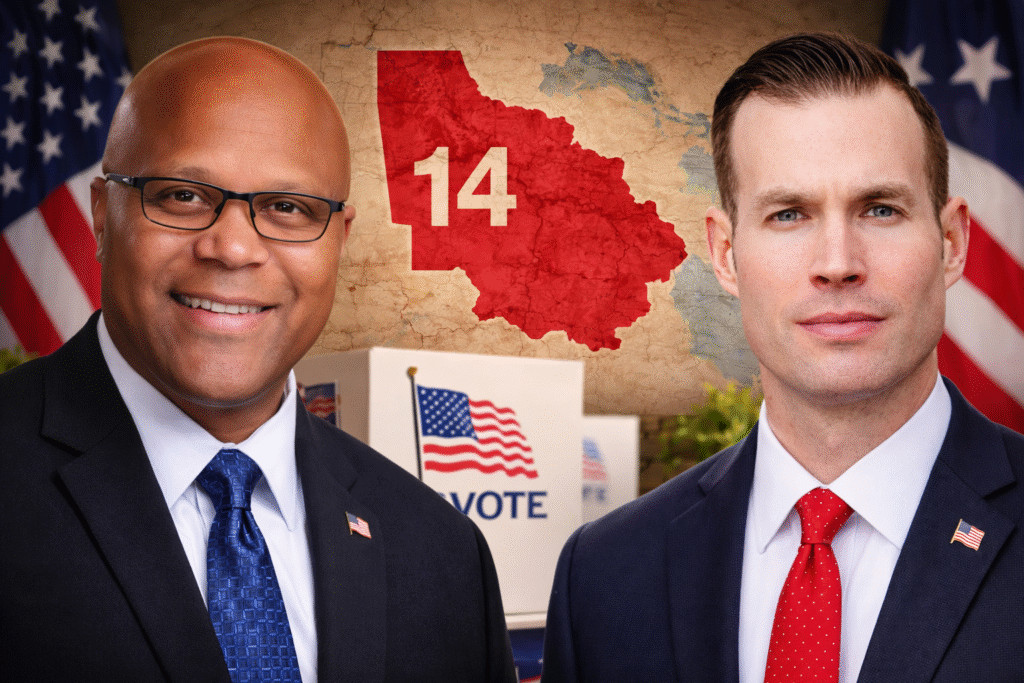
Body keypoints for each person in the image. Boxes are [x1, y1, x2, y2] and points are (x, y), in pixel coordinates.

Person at [0, 36, 515, 683]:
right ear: (104, 216)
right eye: (183, 195)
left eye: (287, 208)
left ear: (339, 241)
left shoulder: (441, 553)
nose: (234, 247)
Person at [541, 32, 1024, 683]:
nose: (837, 264)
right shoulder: (604, 574)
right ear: (724, 254)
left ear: (952, 242)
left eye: (880, 209)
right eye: (789, 214)